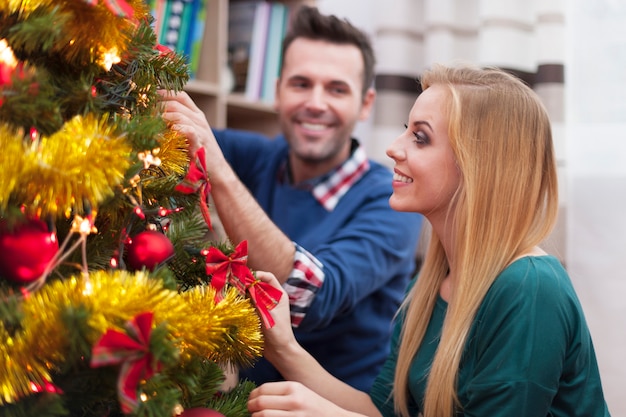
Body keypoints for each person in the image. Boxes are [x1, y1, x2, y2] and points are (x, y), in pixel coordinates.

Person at [245, 63, 611, 417]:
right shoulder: (430, 285)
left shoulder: (530, 288)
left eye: (420, 137)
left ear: (477, 165)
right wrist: (283, 348)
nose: (393, 148)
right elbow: (382, 412)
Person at [161, 5, 423, 392]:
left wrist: (216, 168)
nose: (316, 102)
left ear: (365, 104)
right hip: (247, 402)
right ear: (279, 91)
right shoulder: (262, 158)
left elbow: (307, 299)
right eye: (301, 84)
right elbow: (169, 132)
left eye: (336, 89)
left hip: (339, 408)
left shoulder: (392, 198)